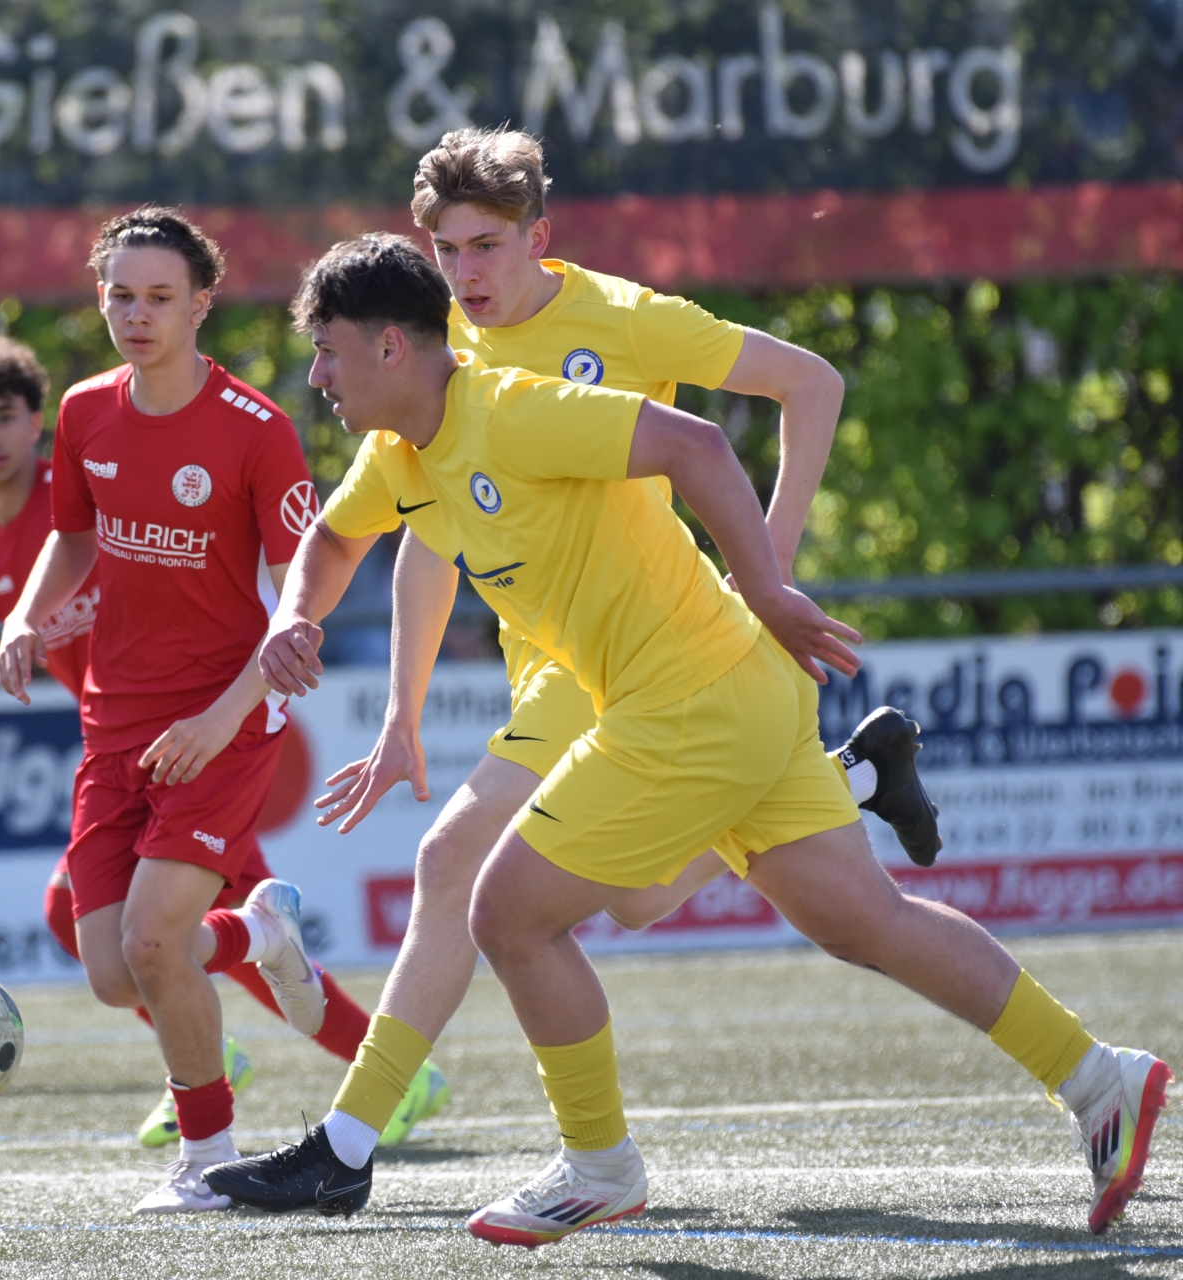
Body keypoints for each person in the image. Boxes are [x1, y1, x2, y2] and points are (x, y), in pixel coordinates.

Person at [206, 234, 1170, 1243]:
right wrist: (293, 618)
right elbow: (332, 539)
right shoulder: (398, 453)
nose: (318, 377)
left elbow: (699, 445)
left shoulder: (514, 408)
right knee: (864, 920)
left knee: (507, 912)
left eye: (327, 352)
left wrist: (769, 588)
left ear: (392, 347)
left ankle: (600, 1165)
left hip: (686, 702)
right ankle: (1098, 1076)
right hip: (734, 693)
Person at [213, 126, 941, 1194]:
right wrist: (403, 712)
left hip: (635, 655)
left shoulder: (624, 319)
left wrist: (767, 575)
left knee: (453, 867)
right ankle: (857, 778)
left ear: (538, 237)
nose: (465, 271)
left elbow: (811, 386)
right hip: (559, 659)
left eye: (485, 245)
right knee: (636, 900)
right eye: (447, 248)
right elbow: (421, 538)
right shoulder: (426, 354)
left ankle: (352, 1146)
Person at [0, 335, 404, 1151]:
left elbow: (239, 571)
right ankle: (217, 1035)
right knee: (118, 938)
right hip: (119, 741)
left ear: (35, 422)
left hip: (201, 730)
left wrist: (236, 693)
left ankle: (382, 1081)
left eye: (4, 416)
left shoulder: (97, 474)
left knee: (161, 938)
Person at [0, 208, 332, 1214]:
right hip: (116, 721)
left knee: (151, 941)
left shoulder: (256, 431)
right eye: (121, 295)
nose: (137, 315)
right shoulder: (84, 412)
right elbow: (73, 536)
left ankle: (205, 1159)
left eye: (159, 297)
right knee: (112, 971)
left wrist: (227, 716)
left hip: (226, 716)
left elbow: (302, 593)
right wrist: (23, 616)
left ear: (201, 305)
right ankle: (257, 934)